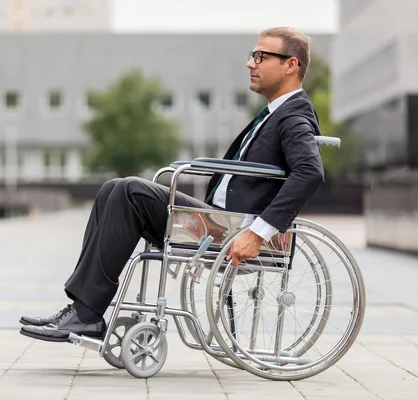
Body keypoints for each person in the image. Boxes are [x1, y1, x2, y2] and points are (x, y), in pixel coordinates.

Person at [19, 27, 324, 342]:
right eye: (253, 56)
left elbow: (310, 172)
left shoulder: (293, 114)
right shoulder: (275, 113)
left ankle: (86, 315)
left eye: (261, 56)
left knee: (129, 191)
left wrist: (259, 232)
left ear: (290, 65)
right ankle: (82, 310)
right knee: (113, 188)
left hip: (234, 228)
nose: (251, 63)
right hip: (219, 220)